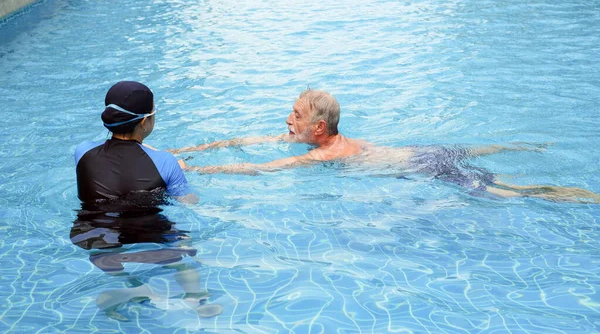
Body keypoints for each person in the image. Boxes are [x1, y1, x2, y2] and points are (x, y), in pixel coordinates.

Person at [173, 89, 600, 203]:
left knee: (510, 192)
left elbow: (264, 168)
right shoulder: (322, 137)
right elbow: (252, 142)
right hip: (422, 151)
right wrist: (198, 148)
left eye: (296, 117)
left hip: (425, 168)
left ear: (319, 129)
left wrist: (198, 173)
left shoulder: (326, 153)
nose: (288, 121)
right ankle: (533, 147)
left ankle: (578, 197)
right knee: (491, 159)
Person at [72, 81, 220, 320]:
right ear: (144, 122)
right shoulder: (165, 162)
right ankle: (197, 298)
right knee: (184, 247)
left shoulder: (82, 152)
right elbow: (189, 202)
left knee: (105, 253)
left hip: (92, 233)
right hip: (148, 232)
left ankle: (135, 288)